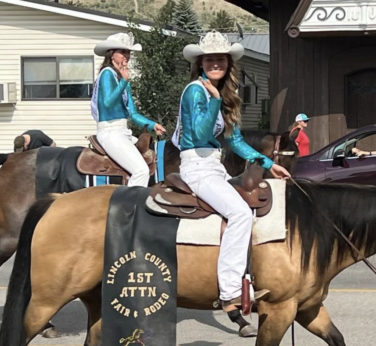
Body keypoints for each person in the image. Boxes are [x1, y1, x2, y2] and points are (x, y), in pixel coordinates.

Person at [172, 30, 291, 311]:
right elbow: (200, 134)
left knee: (251, 206)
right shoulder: (195, 91)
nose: (216, 64)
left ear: (228, 64)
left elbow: (234, 140)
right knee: (239, 213)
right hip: (196, 166)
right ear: (200, 63)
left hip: (214, 165)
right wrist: (214, 100)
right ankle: (230, 291)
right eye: (209, 59)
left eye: (221, 59)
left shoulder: (225, 94)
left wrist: (268, 164)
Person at [91, 32, 166, 187]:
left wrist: (152, 125)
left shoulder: (122, 79)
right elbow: (107, 103)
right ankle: (131, 202)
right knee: (141, 171)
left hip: (122, 132)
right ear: (111, 54)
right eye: (122, 52)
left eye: (128, 52)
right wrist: (123, 82)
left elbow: (132, 113)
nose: (126, 56)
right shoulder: (107, 74)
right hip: (110, 132)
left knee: (152, 158)